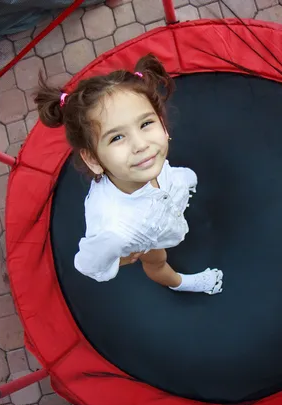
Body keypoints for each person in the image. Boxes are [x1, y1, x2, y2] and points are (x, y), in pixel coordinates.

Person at [33, 53, 223, 295]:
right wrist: (122, 258)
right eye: (117, 137)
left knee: (177, 181)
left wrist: (182, 183)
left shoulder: (147, 162)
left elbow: (165, 170)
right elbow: (88, 265)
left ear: (163, 126)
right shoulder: (114, 230)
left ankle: (179, 196)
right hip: (146, 236)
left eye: (145, 124)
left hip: (164, 200)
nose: (140, 144)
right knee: (157, 261)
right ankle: (181, 284)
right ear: (93, 159)